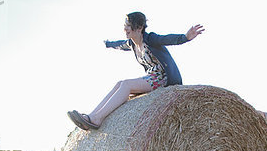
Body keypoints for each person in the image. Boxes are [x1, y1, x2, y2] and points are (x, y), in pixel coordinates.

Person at [67, 11, 204, 130]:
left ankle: (97, 118)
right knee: (120, 83)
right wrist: (107, 44)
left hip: (163, 78)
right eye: (125, 25)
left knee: (126, 84)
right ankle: (92, 116)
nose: (125, 28)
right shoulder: (132, 43)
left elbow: (167, 39)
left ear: (138, 28)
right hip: (151, 77)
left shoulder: (151, 39)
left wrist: (185, 37)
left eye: (128, 25)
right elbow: (119, 44)